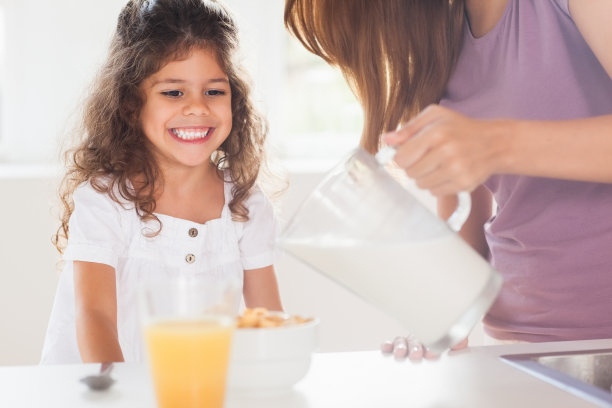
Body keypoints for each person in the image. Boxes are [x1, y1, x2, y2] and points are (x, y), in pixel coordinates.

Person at [285, 0, 612, 359]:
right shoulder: (443, 47)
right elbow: (464, 230)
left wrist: (496, 143)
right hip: (516, 341)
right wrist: (443, 316)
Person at [41, 0, 283, 364]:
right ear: (130, 105)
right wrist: (122, 396)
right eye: (174, 92)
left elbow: (270, 322)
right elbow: (96, 318)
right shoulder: (106, 201)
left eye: (214, 91)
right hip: (100, 393)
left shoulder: (245, 204)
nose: (198, 107)